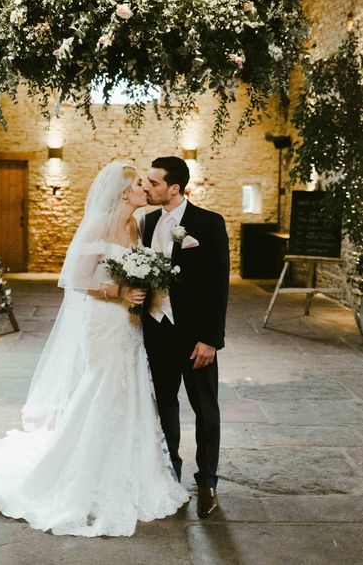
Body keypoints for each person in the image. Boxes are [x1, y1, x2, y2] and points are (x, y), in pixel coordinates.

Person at [0, 162, 188, 537]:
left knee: (128, 388)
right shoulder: (99, 223)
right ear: (122, 192)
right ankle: (83, 472)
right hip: (102, 318)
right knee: (102, 386)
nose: (144, 189)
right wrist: (117, 292)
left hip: (128, 324)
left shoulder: (135, 225)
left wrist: (139, 291)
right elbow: (74, 278)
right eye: (137, 184)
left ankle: (129, 471)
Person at [142, 156, 229, 519]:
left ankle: (207, 481)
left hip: (196, 338)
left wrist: (210, 339)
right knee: (164, 406)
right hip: (156, 331)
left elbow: (218, 285)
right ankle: (170, 472)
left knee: (205, 409)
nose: (147, 188)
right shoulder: (146, 222)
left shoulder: (208, 224)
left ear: (174, 188)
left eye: (154, 183)